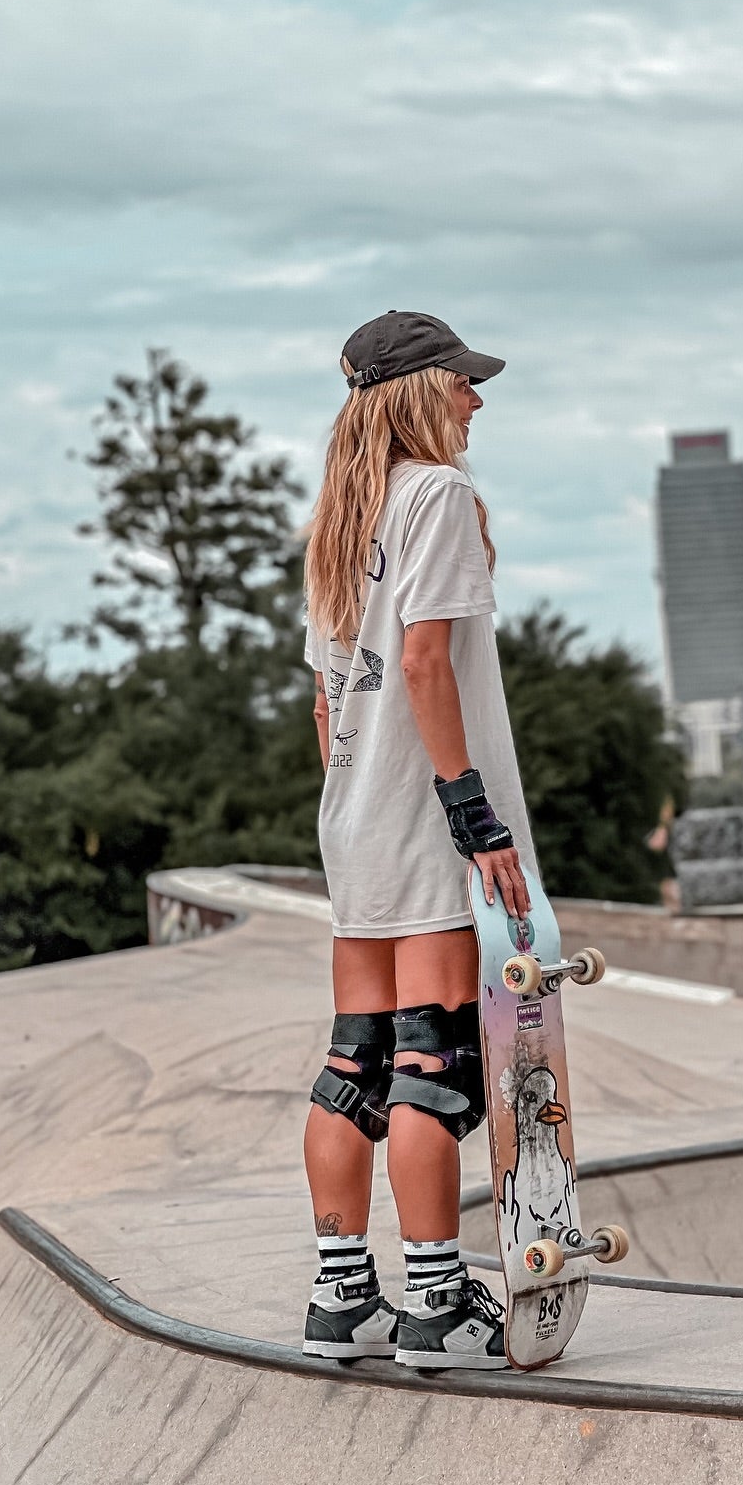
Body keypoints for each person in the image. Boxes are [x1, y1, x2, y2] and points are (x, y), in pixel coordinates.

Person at [299, 308, 533, 1369]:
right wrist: (472, 819)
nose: (476, 400)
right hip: (429, 820)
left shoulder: (342, 519)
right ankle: (437, 1300)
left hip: (356, 822)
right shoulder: (438, 496)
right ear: (417, 394)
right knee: (431, 1066)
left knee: (356, 1060)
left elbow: (325, 701)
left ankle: (342, 1296)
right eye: (461, 384)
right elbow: (428, 667)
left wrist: (361, 811)